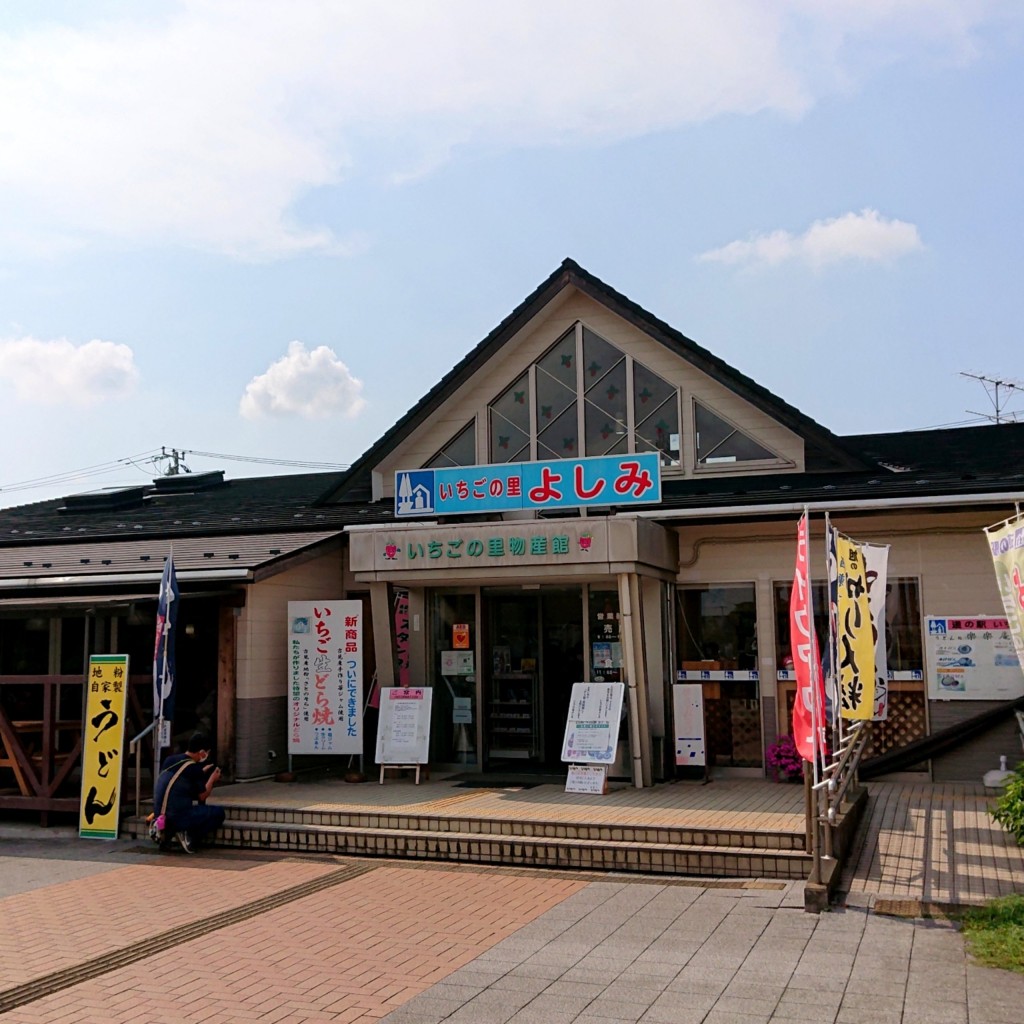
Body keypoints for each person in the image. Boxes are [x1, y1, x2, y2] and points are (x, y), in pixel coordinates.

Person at [153, 732, 225, 853]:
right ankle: (189, 835)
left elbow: (178, 783)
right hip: (179, 816)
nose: (206, 755)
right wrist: (212, 779)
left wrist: (200, 773)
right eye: (207, 752)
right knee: (219, 813)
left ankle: (169, 834)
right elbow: (202, 796)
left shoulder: (170, 760)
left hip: (159, 814)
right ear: (202, 752)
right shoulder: (194, 769)